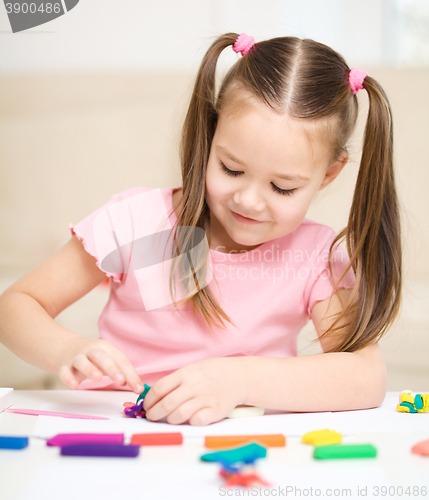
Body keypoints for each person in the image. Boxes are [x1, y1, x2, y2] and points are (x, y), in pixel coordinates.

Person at [0, 32, 402, 426]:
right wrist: (65, 348)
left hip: (241, 447)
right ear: (210, 135)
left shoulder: (315, 255)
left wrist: (238, 380)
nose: (248, 200)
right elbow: (16, 306)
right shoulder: (136, 222)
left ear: (328, 175)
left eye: (282, 187)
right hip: (115, 434)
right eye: (231, 168)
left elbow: (365, 376)